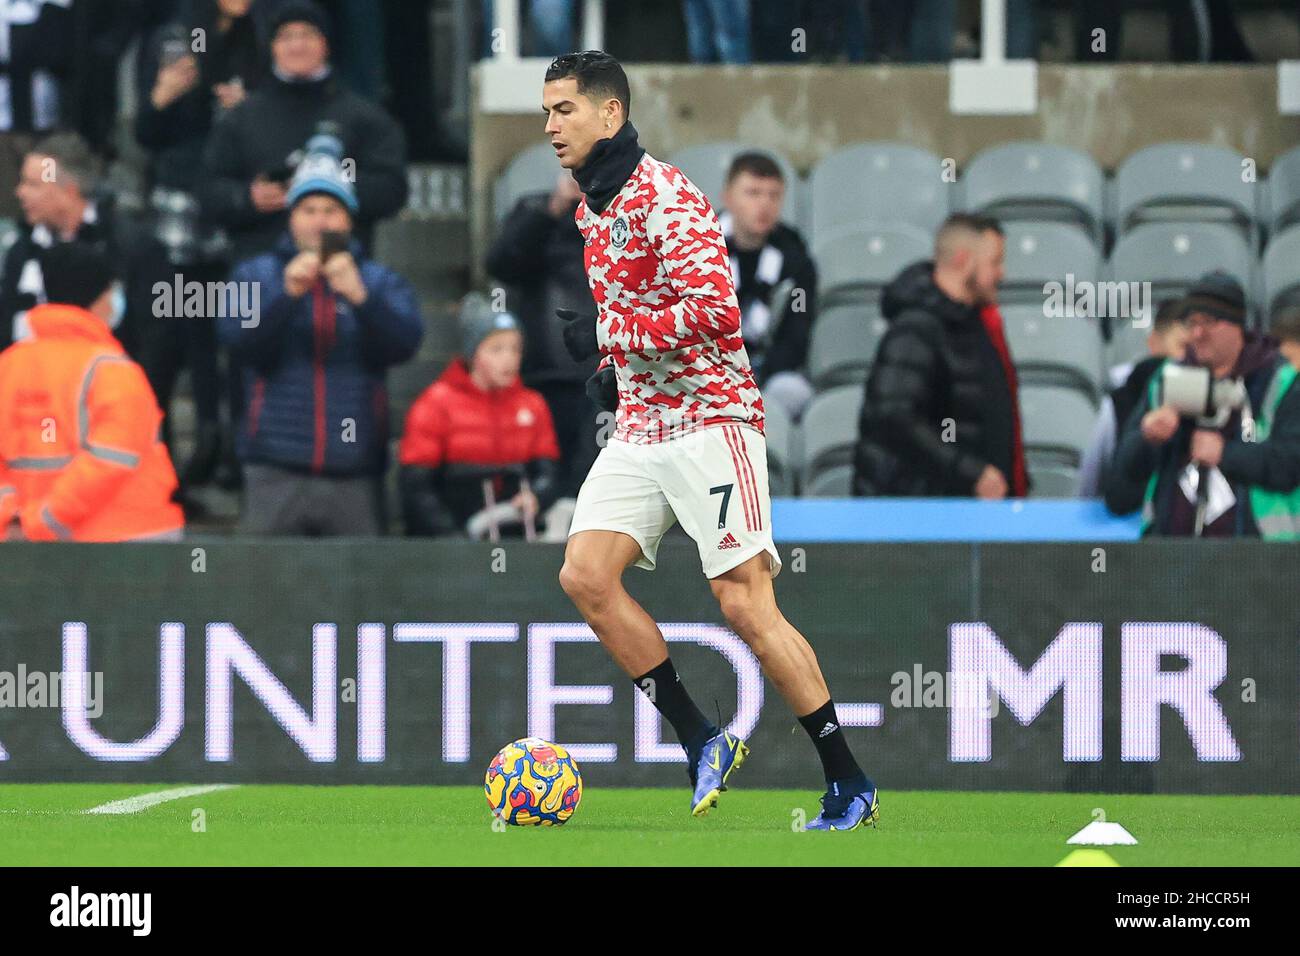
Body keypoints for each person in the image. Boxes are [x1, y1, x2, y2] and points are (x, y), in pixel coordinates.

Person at [543, 50, 878, 830]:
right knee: (586, 577)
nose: (551, 126)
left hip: (710, 422)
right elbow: (650, 318)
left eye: (564, 109)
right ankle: (702, 738)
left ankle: (847, 780)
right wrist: (616, 368)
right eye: (547, 112)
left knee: (745, 606)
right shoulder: (592, 203)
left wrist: (612, 332)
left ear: (609, 114)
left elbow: (717, 313)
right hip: (642, 424)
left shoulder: (665, 193)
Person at [218, 134, 423, 536]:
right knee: (261, 589)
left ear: (348, 219)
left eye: (331, 209)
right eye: (308, 209)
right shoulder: (256, 274)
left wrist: (362, 299)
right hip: (273, 465)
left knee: (358, 595)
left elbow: (405, 344)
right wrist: (284, 296)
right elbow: (237, 343)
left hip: (354, 469)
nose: (320, 221)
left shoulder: (377, 280)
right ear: (291, 217)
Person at [135, 0, 268, 488]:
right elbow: (146, 133)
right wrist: (163, 97)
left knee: (238, 316)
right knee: (189, 320)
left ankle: (234, 438)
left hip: (239, 200)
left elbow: (274, 118)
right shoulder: (176, 35)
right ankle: (208, 433)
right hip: (186, 198)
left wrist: (247, 110)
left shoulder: (263, 36)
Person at [0, 242, 184, 542]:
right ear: (99, 298)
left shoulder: (8, 366)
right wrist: (47, 520)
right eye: (113, 291)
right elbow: (111, 459)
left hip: (27, 549)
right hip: (126, 540)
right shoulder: (112, 371)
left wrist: (15, 518)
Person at [200, 0, 408, 264]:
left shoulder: (364, 117)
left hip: (338, 265)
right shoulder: (241, 119)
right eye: (286, 37)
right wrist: (249, 198)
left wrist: (330, 188)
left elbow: (392, 190)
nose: (297, 46)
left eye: (308, 35)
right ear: (272, 47)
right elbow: (208, 191)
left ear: (326, 44)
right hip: (260, 266)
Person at [1106, 272, 1300, 537]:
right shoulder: (1167, 378)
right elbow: (1119, 489)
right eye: (1192, 322)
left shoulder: (1278, 381)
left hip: (1259, 562)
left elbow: (1290, 464)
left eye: (1208, 322)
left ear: (1237, 326)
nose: (1197, 334)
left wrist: (1226, 454)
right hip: (1170, 560)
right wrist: (1147, 438)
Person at [852, 213, 1025, 499]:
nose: (1002, 274)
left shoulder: (975, 325)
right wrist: (970, 471)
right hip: (915, 518)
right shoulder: (915, 328)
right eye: (994, 263)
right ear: (963, 260)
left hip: (958, 510)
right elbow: (892, 415)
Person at [399, 303, 561, 538]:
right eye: (496, 349)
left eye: (515, 349)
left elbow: (548, 474)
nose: (509, 359)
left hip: (516, 529)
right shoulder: (436, 403)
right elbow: (417, 486)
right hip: (456, 532)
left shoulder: (532, 404)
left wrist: (536, 496)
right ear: (473, 354)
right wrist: (452, 539)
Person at [485, 171, 600, 499]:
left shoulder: (626, 215)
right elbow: (501, 264)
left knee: (593, 481)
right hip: (543, 372)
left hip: (605, 375)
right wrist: (553, 208)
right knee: (545, 480)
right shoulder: (535, 209)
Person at [0, 132, 161, 359]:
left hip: (110, 384)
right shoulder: (21, 251)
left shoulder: (129, 244)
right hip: (37, 386)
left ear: (69, 191)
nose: (20, 192)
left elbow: (154, 338)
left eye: (33, 184)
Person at [719, 151, 817, 419]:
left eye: (773, 195)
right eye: (753, 193)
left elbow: (797, 333)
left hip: (765, 371)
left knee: (794, 393)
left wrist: (753, 378)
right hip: (708, 369)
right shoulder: (699, 247)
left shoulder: (796, 259)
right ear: (728, 197)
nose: (764, 204)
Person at [1078, 297, 1188, 498]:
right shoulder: (1118, 403)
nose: (1186, 359)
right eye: (1182, 347)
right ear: (1153, 343)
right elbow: (1091, 481)